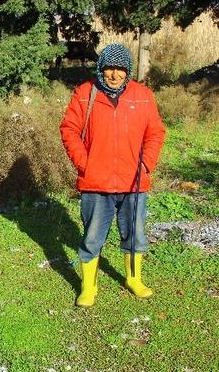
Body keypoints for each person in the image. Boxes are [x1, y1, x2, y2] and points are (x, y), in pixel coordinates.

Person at [59, 44, 166, 308]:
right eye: (109, 68)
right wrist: (85, 164)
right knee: (92, 237)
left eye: (120, 69)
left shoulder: (143, 96)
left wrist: (146, 165)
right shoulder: (85, 94)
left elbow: (156, 133)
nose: (114, 75)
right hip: (96, 183)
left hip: (134, 182)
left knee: (135, 235)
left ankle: (134, 279)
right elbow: (69, 130)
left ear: (127, 70)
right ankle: (88, 287)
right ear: (101, 69)